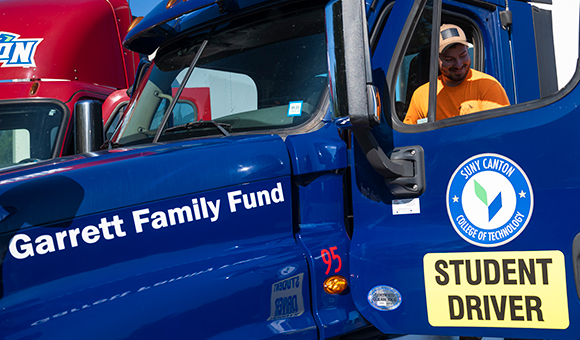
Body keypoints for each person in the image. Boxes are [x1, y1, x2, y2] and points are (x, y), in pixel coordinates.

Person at [404, 24, 510, 124]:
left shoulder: (488, 85)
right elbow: (409, 137)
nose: (458, 64)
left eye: (463, 55)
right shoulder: (421, 95)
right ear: (436, 59)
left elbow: (498, 132)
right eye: (449, 59)